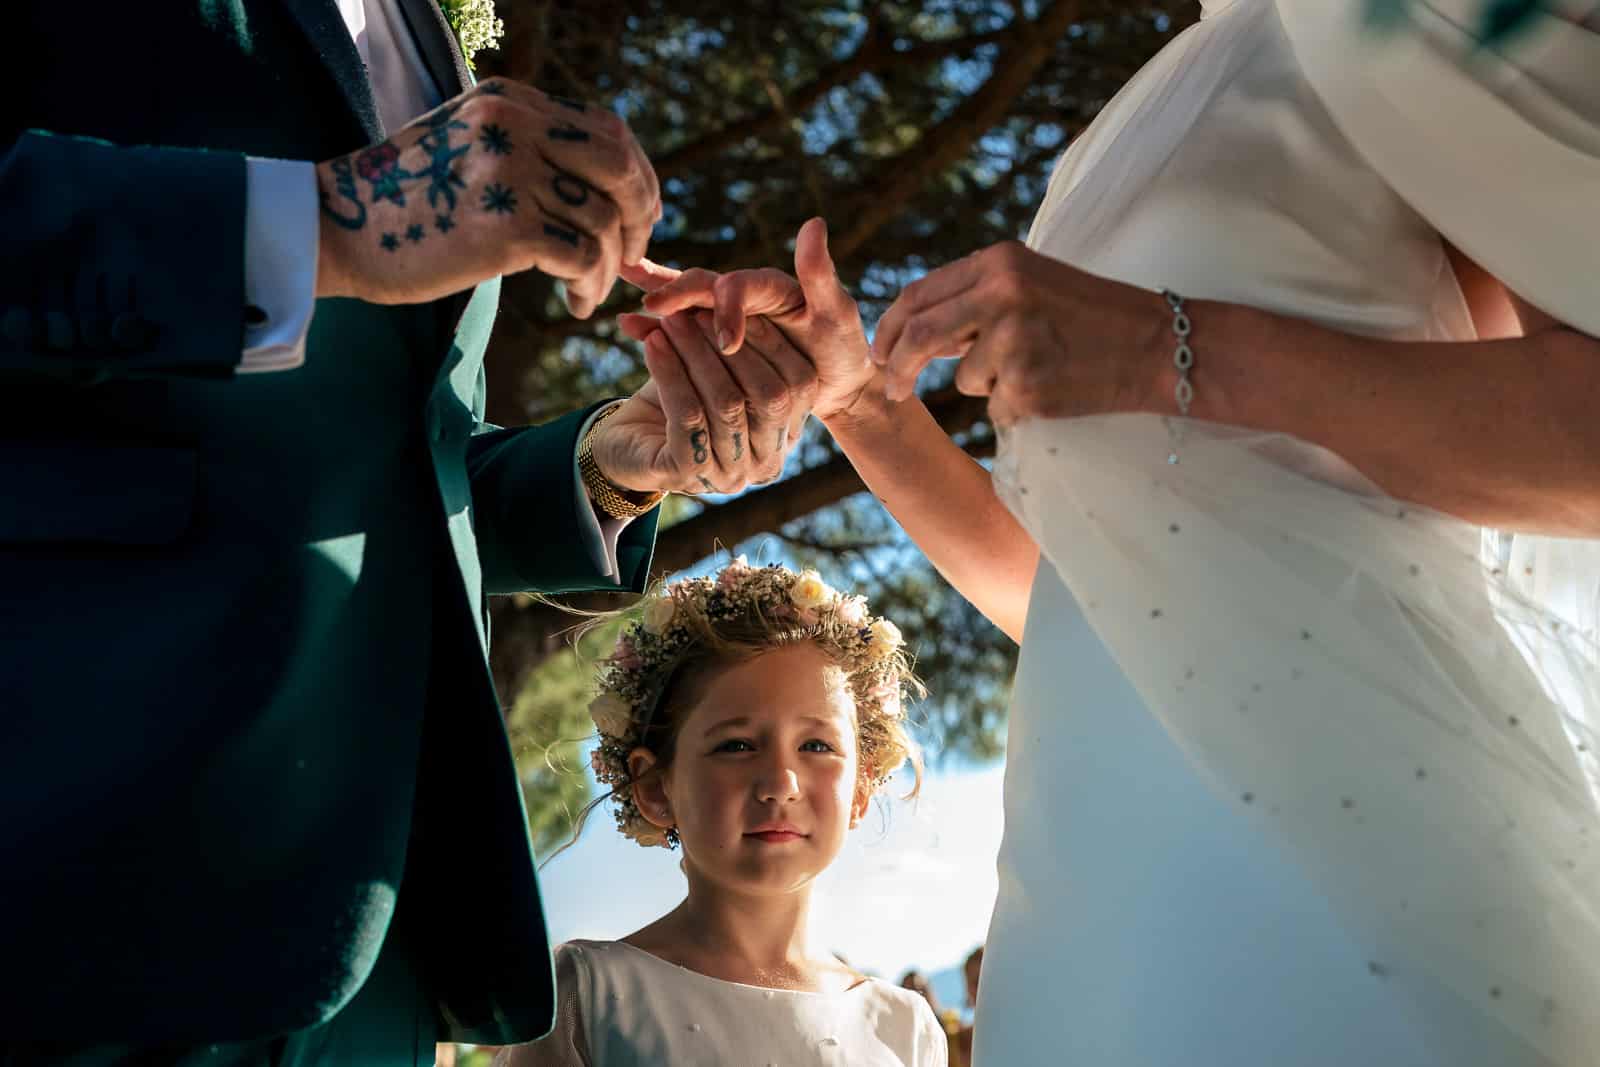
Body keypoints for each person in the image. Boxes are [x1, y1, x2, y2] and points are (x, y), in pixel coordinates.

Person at [623, 1, 1600, 1063]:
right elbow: (1081, 595)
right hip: (1089, 884)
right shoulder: (1132, 114)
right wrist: (855, 398)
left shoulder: (1416, 16)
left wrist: (1167, 349)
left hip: (1353, 854)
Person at [0, 1, 815, 1062]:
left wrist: (610, 464)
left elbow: (402, 451)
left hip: (373, 913)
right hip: (84, 827)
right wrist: (332, 219)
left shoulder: (422, 22)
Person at [498, 559, 947, 1066]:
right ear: (654, 786)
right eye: (736, 745)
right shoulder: (587, 996)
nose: (781, 783)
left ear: (861, 789)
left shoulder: (903, 1028)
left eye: (817, 745)